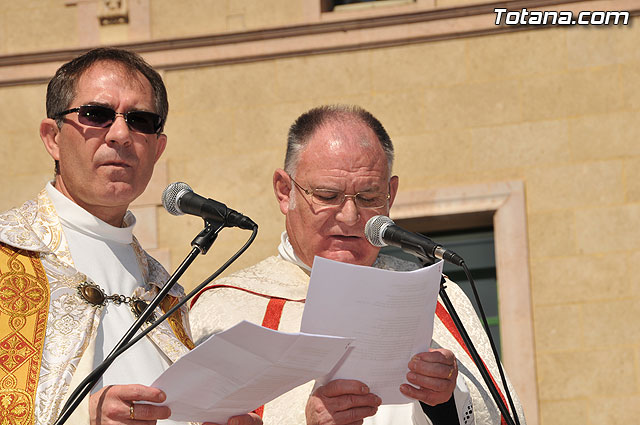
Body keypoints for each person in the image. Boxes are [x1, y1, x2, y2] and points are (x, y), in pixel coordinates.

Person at [189, 104, 527, 425]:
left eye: (368, 198)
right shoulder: (227, 307)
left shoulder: (437, 296)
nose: (350, 217)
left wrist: (448, 399)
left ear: (390, 196)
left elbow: (502, 414)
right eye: (327, 195)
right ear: (284, 190)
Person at [0, 47, 260, 425]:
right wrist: (82, 417)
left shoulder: (164, 290)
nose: (120, 134)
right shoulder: (8, 254)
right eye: (96, 115)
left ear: (157, 149)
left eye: (140, 120)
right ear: (52, 138)